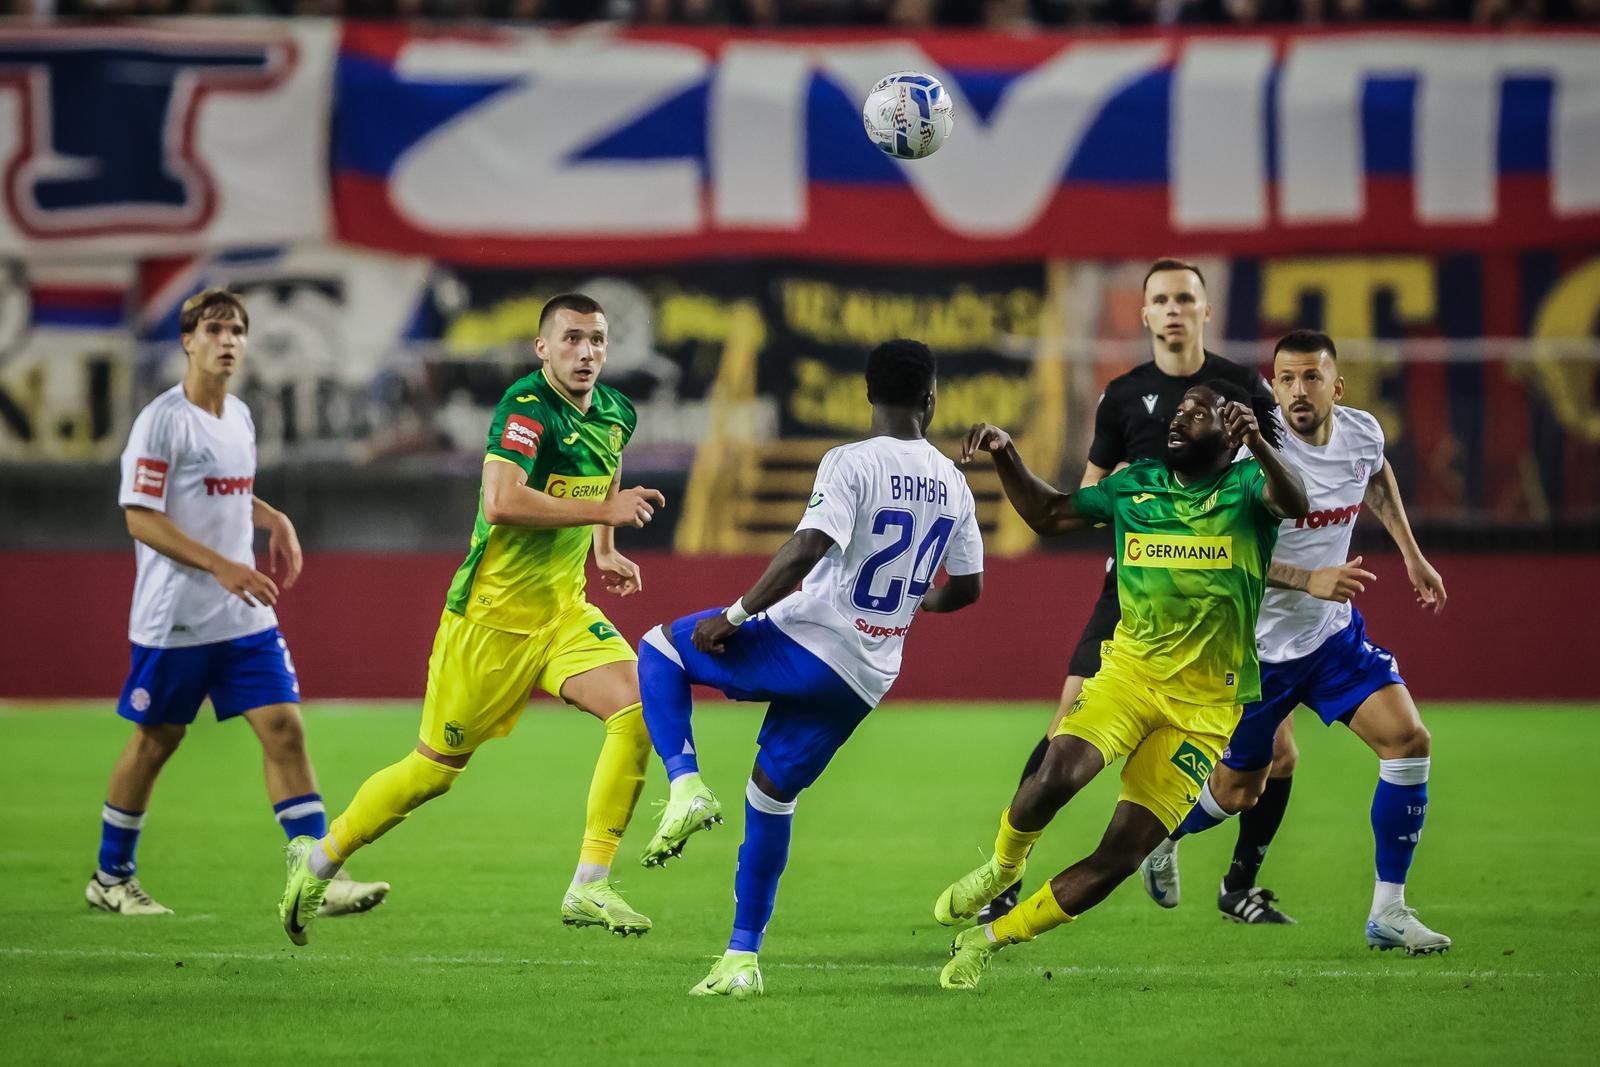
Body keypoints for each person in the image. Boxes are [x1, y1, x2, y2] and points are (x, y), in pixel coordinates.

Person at [277, 293, 667, 945]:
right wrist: (604, 514)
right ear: (542, 348)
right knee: (432, 772)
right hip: (489, 621)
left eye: (597, 339)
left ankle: (589, 884)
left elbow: (607, 472)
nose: (587, 352)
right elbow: (503, 499)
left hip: (563, 612)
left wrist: (606, 548)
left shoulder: (614, 411)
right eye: (571, 339)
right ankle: (316, 865)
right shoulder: (525, 408)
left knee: (638, 708)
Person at [934, 379, 1309, 990]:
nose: (1179, 418)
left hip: (1204, 711)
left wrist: (1262, 446)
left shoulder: (1248, 489)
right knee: (1055, 773)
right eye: (1177, 409)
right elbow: (1050, 513)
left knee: (1119, 857)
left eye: (1197, 412)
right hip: (1129, 677)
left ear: (1231, 429)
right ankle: (1003, 867)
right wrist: (1005, 452)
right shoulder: (1138, 484)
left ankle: (988, 940)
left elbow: (1296, 501)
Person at [636, 340, 984, 997]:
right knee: (770, 796)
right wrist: (914, 600)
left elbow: (808, 545)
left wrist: (735, 615)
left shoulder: (850, 461)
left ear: (867, 393)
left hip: (810, 639)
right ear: (931, 399)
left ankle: (684, 785)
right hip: (866, 677)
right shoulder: (954, 483)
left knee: (659, 646)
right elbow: (966, 588)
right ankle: (742, 957)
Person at [981, 258, 1275, 923]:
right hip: (1134, 583)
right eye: (1161, 299)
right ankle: (1006, 873)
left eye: (1185, 298)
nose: (1173, 309)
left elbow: (1271, 484)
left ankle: (1167, 830)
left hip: (1217, 588)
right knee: (1065, 724)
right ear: (1144, 314)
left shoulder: (1242, 387)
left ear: (1206, 310)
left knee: (1266, 756)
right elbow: (1090, 487)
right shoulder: (1123, 395)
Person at [1138, 330, 1450, 953]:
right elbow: (1219, 556)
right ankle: (1164, 835)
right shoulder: (1249, 456)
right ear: (1272, 385)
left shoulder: (1362, 432)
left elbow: (1378, 477)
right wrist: (1308, 577)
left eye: (1310, 378)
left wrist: (1412, 555)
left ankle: (1388, 911)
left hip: (1331, 638)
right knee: (1237, 790)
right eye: (1285, 379)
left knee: (1409, 740)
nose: (1297, 391)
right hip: (1257, 651)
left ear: (1337, 386)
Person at [90, 288, 387, 919]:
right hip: (176, 617)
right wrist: (224, 564)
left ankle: (315, 875)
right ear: (188, 340)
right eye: (216, 329)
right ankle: (111, 877)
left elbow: (224, 492)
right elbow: (140, 517)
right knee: (156, 742)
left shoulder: (241, 416)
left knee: (285, 728)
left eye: (238, 331)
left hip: (242, 614)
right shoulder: (162, 420)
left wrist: (271, 515)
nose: (228, 341)